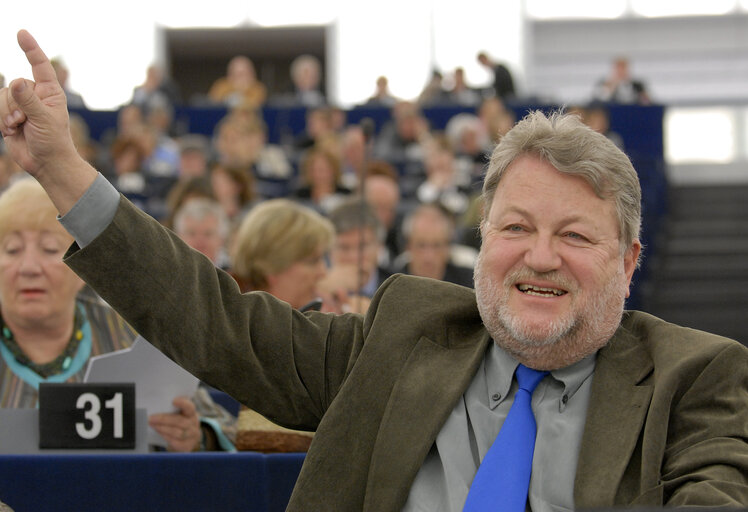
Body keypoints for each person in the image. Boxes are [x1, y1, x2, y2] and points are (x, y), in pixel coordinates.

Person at [2, 31, 746, 510]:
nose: (540, 256)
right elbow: (215, 320)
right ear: (483, 241)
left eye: (576, 235)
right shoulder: (399, 339)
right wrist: (62, 169)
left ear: (630, 262)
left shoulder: (695, 380)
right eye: (516, 228)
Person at [0, 178, 234, 452]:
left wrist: (197, 436)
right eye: (11, 250)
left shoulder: (130, 335)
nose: (29, 267)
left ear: (82, 266)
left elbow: (221, 426)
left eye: (50, 249)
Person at [395, 203, 474, 288]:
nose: (429, 256)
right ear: (408, 246)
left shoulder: (468, 285)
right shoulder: (392, 286)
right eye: (421, 245)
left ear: (448, 247)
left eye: (437, 246)